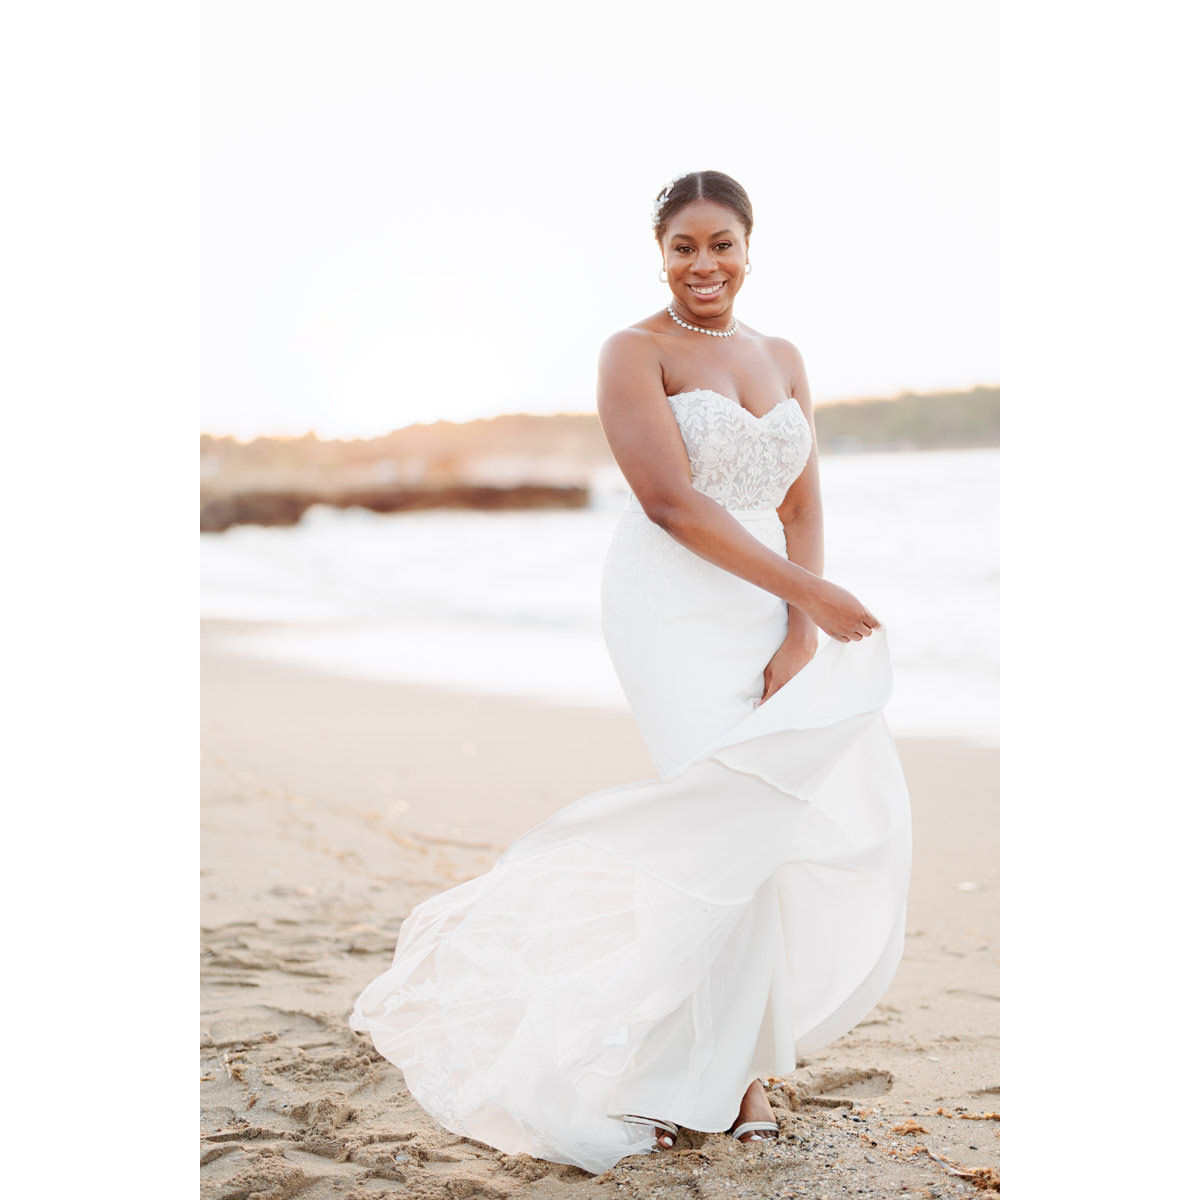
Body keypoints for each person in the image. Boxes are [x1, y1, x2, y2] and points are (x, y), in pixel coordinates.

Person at [350, 170, 912, 1176]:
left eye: (723, 244)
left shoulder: (783, 356)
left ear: (751, 247)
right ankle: (699, 1076)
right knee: (713, 815)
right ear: (660, 252)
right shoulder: (633, 352)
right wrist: (813, 595)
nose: (705, 264)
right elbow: (668, 503)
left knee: (761, 826)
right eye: (684, 246)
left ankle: (737, 1065)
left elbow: (803, 504)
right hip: (671, 604)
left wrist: (799, 627)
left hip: (766, 603)